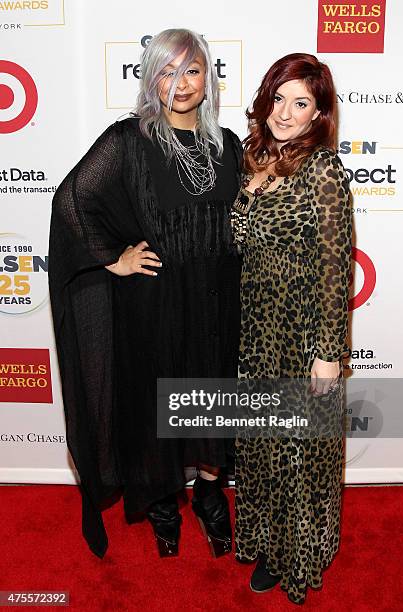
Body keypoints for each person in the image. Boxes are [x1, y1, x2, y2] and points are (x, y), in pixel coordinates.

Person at [48, 28, 242, 559]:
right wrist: (115, 258)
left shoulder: (227, 145)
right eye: (167, 71)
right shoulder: (127, 141)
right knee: (157, 408)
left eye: (192, 70)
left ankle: (208, 495)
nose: (180, 84)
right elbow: (70, 202)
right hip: (154, 303)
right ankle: (161, 504)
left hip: (217, 305)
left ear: (209, 78)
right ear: (150, 78)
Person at [231, 53, 352, 604]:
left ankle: (293, 556)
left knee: (299, 454)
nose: (284, 112)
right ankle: (262, 536)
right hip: (257, 330)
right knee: (261, 443)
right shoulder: (254, 157)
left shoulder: (323, 171)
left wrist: (328, 355)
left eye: (299, 102)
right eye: (278, 98)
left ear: (318, 114)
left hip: (303, 338)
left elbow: (336, 266)